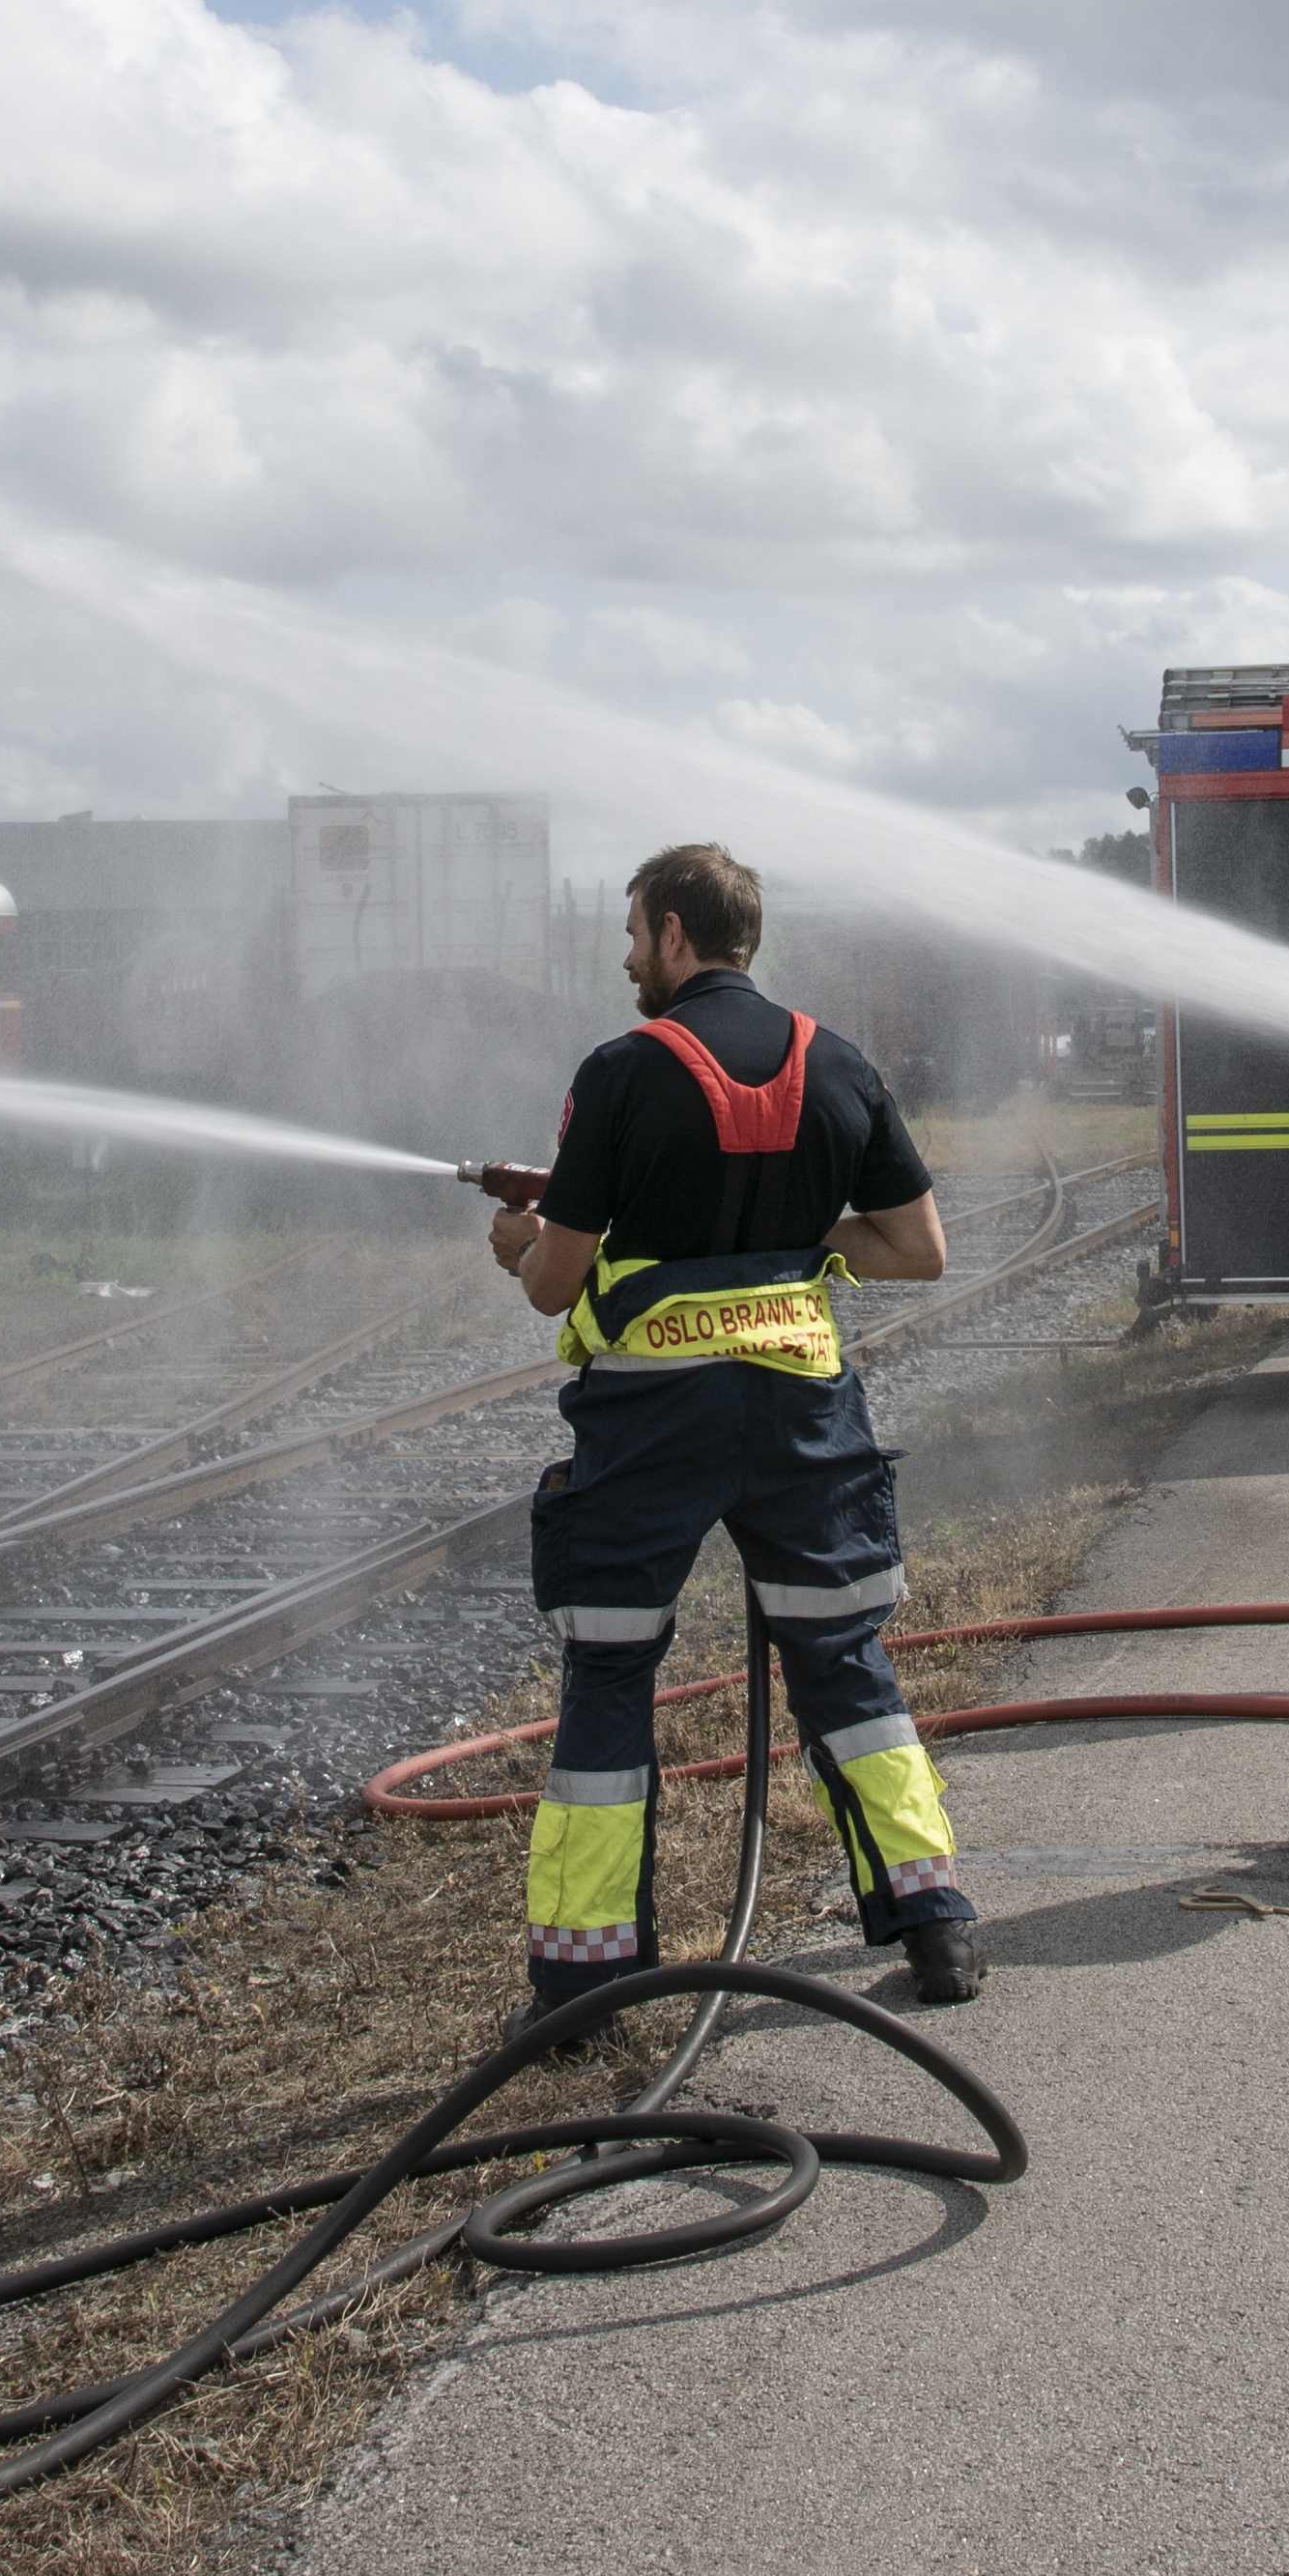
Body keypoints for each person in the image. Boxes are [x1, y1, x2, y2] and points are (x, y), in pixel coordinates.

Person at [484, 842, 981, 2025]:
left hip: (651, 1426)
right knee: (845, 1662)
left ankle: (582, 1983)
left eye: (631, 934)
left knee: (609, 1674)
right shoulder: (841, 1063)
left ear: (670, 933)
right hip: (805, 1416)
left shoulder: (621, 1071)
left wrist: (519, 1241)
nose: (624, 957)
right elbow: (916, 1251)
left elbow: (554, 1285)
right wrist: (793, 1255)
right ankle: (936, 1925)